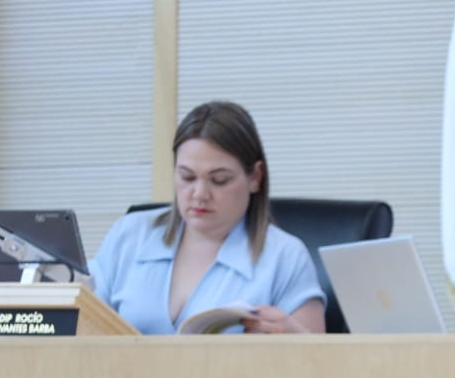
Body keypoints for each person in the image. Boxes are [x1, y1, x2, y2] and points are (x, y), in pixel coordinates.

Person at [90, 101, 326, 335]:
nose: (200, 194)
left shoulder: (286, 256)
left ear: (255, 177)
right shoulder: (129, 234)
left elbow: (321, 365)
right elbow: (77, 321)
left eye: (219, 180)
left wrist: (293, 338)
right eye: (187, 177)